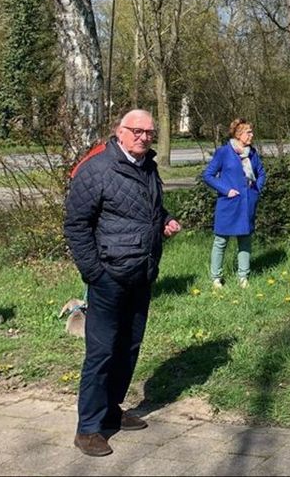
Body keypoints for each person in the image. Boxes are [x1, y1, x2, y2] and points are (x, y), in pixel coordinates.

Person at [63, 110, 182, 457]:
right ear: (120, 131)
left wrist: (166, 220)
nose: (144, 137)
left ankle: (112, 410)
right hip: (108, 277)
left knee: (129, 346)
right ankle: (88, 428)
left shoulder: (148, 166)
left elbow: (150, 209)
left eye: (149, 132)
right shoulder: (96, 168)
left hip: (142, 273)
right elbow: (76, 226)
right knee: (101, 352)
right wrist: (94, 272)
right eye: (137, 131)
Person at [202, 118, 267, 289]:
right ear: (239, 135)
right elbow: (208, 175)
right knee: (221, 241)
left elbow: (261, 173)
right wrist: (226, 190)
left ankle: (243, 277)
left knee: (245, 240)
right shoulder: (224, 152)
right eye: (249, 132)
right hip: (228, 204)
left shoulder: (252, 153)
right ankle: (216, 278)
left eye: (251, 132)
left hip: (247, 204)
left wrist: (255, 190)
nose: (252, 135)